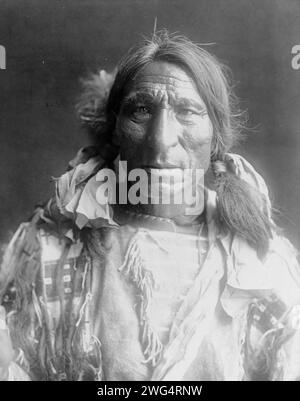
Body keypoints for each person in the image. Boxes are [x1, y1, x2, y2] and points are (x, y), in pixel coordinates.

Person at [1, 31, 300, 381]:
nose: (160, 140)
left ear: (215, 138)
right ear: (114, 130)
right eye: (141, 110)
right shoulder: (49, 249)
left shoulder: (259, 264)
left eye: (188, 111)